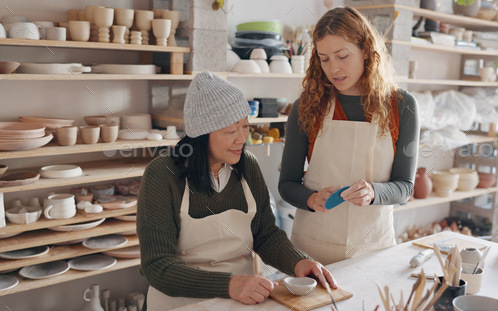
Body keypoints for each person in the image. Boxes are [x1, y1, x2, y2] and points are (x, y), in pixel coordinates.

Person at [137, 71, 337, 311]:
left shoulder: (247, 165)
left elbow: (265, 234)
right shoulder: (162, 174)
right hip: (179, 304)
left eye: (245, 126)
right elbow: (158, 266)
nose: (242, 138)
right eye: (231, 131)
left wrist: (298, 261)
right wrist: (230, 284)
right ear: (201, 134)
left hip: (239, 302)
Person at [279, 7, 420, 265]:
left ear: (366, 50)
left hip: (372, 250)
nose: (333, 69)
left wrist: (373, 192)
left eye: (342, 56)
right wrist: (311, 198)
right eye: (324, 58)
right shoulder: (308, 105)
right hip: (313, 251)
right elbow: (286, 183)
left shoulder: (402, 106)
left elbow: (404, 187)